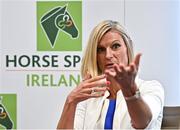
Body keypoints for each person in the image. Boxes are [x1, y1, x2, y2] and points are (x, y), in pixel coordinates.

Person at [57, 20, 164, 129]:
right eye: (101, 49)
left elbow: (143, 122)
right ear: (95, 56)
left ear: (128, 48)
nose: (108, 55)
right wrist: (71, 101)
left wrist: (130, 92)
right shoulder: (89, 98)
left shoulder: (151, 87)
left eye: (115, 46)